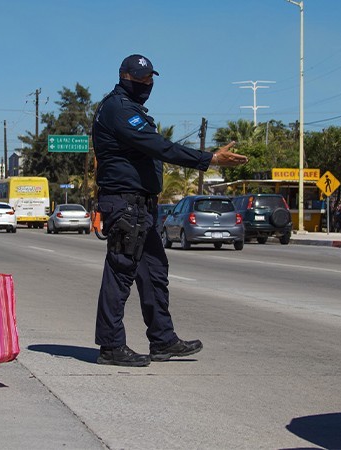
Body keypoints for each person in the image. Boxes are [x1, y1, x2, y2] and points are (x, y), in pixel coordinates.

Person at [91, 54, 249, 367]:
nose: (147, 85)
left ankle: (162, 340)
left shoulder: (130, 108)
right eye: (141, 80)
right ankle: (111, 346)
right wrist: (209, 159)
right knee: (121, 272)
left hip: (140, 207)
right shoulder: (119, 109)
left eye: (150, 79)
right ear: (125, 78)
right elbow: (159, 147)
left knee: (153, 273)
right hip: (126, 204)